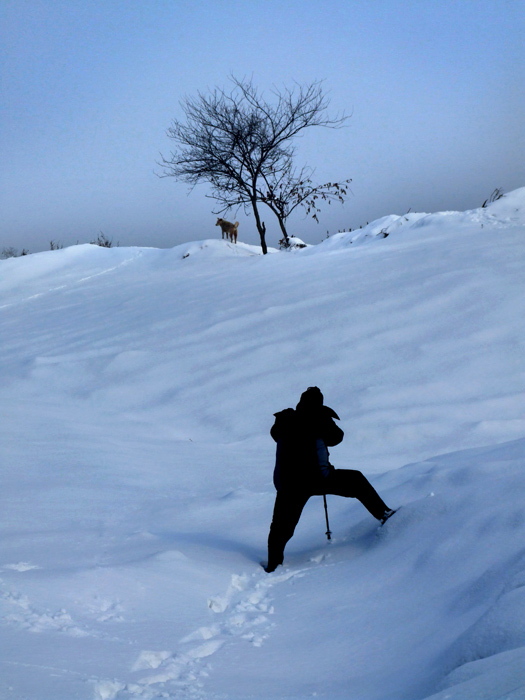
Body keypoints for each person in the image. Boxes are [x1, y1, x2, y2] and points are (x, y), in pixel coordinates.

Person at [264, 387, 396, 573]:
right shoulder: (318, 418)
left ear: (300, 402)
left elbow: (275, 434)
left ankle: (273, 564)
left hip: (289, 484)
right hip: (318, 478)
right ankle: (384, 514)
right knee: (356, 480)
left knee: (281, 526)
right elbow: (336, 437)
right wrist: (324, 416)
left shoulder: (285, 420)